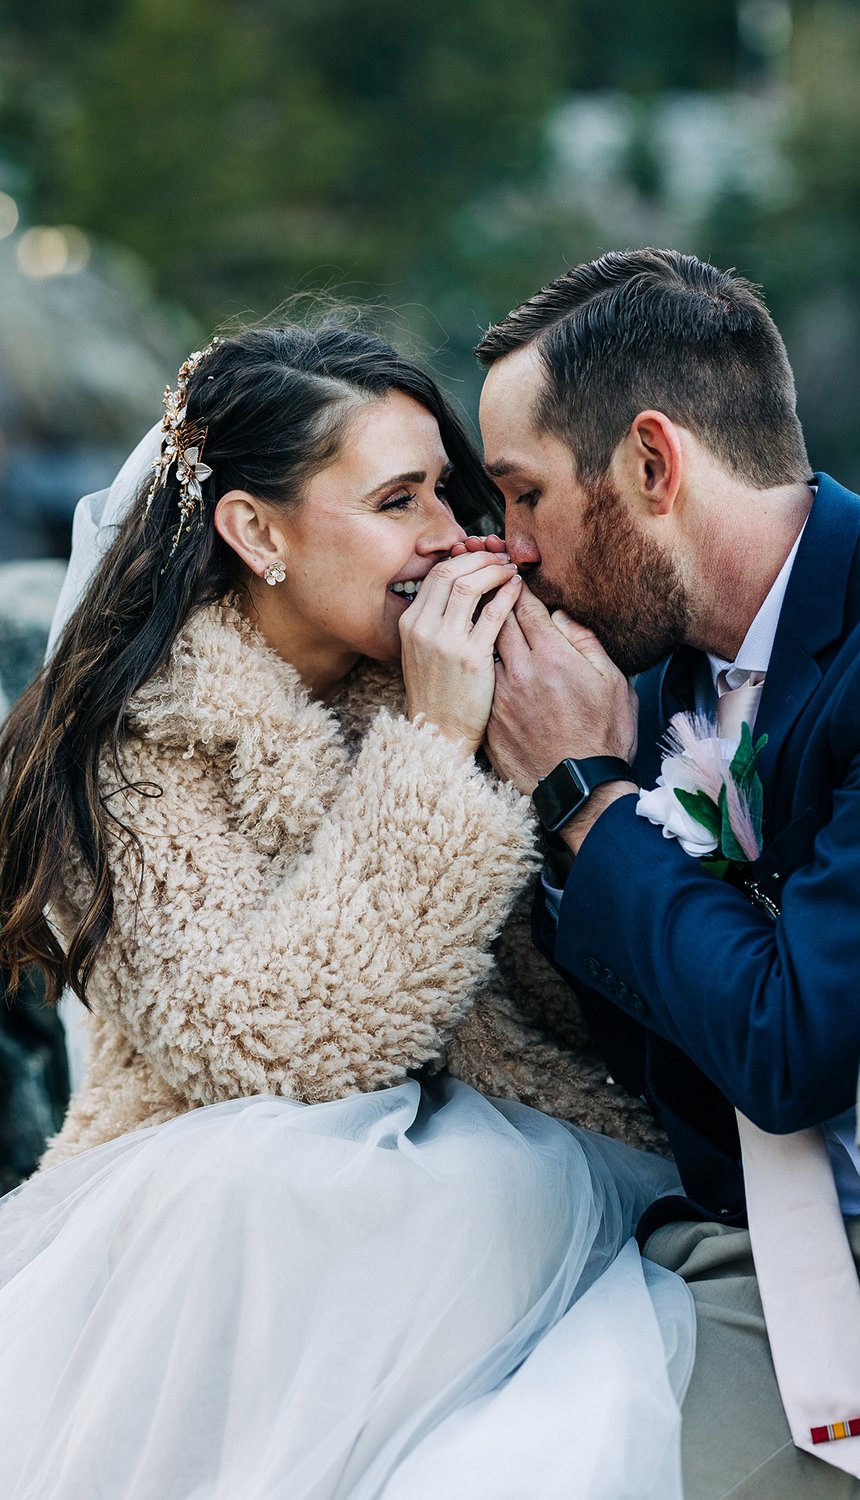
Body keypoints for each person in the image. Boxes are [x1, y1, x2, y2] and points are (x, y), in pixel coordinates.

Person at [0, 318, 695, 1499]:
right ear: (255, 530)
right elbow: (269, 1040)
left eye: (447, 489)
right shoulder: (128, 745)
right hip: (223, 1205)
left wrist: (567, 759)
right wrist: (430, 747)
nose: (448, 536)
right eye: (396, 501)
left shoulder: (503, 673)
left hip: (513, 1155)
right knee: (266, 1184)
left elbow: (575, 1005)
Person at [475, 246, 860, 1500]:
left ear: (652, 465)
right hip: (784, 1276)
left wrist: (588, 805)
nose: (511, 553)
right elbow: (640, 1034)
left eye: (523, 497)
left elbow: (800, 1045)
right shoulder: (632, 688)